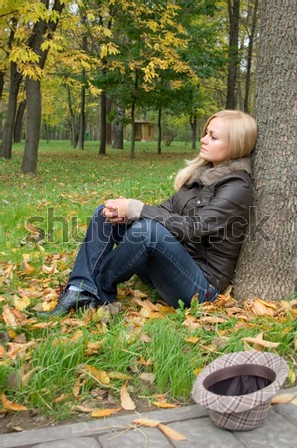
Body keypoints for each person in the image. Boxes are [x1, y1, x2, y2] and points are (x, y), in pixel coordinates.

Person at [38, 110, 257, 317]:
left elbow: (194, 228)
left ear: (235, 144)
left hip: (200, 287)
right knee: (105, 213)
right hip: (168, 268)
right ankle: (78, 289)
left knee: (147, 231)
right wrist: (127, 213)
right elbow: (165, 210)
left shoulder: (237, 186)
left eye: (213, 137)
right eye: (205, 133)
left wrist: (137, 209)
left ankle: (97, 287)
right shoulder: (202, 174)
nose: (204, 139)